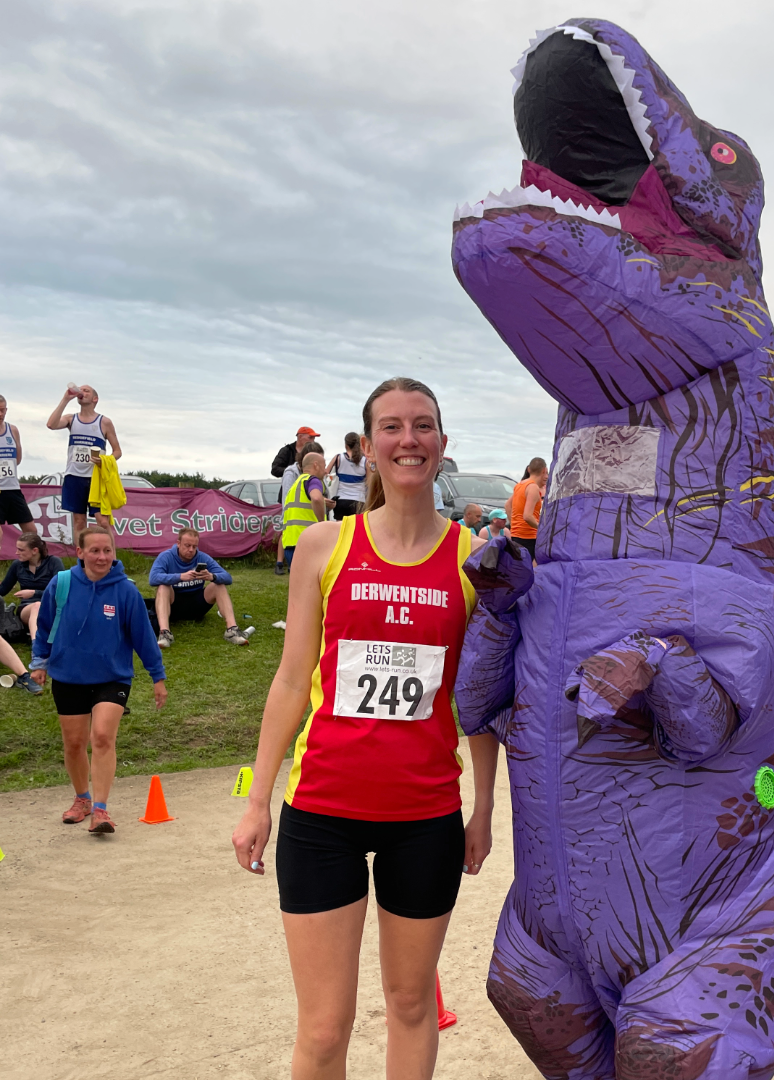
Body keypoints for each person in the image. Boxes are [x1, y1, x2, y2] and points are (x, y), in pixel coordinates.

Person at [231, 377, 498, 1080]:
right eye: (392, 427)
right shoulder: (325, 546)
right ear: (368, 447)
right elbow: (291, 680)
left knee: (410, 1004)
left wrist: (483, 808)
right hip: (323, 812)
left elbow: (480, 696)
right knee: (324, 1028)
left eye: (423, 425)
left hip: (425, 817)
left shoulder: (473, 559)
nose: (409, 439)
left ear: (442, 443)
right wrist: (257, 800)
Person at [30, 525, 166, 834]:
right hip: (68, 676)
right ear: (80, 552)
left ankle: (101, 810)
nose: (102, 557)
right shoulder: (61, 584)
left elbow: (144, 637)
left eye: (107, 550)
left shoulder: (126, 591)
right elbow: (45, 626)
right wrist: (39, 663)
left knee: (102, 737)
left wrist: (157, 677)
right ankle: (82, 800)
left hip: (112, 677)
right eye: (95, 550)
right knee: (74, 743)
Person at [149, 528, 249, 646]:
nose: (191, 550)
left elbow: (228, 577)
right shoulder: (166, 556)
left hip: (197, 604)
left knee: (218, 585)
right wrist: (180, 576)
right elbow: (153, 578)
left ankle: (232, 631)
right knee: (163, 587)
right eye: (187, 545)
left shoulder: (202, 557)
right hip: (174, 604)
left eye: (194, 546)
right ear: (178, 543)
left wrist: (212, 576)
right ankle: (165, 633)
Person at [46, 384, 122, 538]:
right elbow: (51, 425)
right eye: (80, 390)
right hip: (74, 476)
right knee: (79, 522)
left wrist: (104, 461)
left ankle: (110, 553)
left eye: (86, 391)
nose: (82, 392)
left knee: (103, 522)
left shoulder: (104, 422)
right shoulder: (71, 419)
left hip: (96, 479)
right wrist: (65, 399)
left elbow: (117, 451)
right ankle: (81, 554)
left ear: (95, 399)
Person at [0, 531, 63, 641]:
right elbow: (3, 590)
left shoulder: (54, 562)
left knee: (40, 606)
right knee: (36, 606)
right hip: (27, 608)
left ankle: (41, 636)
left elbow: (60, 591)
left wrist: (34, 593)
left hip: (51, 605)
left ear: (35, 551)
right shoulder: (17, 565)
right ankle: (36, 643)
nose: (16, 553)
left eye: (21, 550)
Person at [273, 428, 320, 573]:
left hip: (305, 499)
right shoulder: (287, 451)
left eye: (314, 438)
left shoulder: (312, 459)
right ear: (300, 437)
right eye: (310, 437)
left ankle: (292, 564)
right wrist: (292, 472)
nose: (313, 440)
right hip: (291, 497)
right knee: (286, 531)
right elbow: (274, 469)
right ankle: (279, 563)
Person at [281, 451, 332, 567]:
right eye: (324, 466)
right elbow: (316, 498)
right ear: (316, 465)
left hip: (290, 544)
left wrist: (323, 501)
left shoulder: (296, 485)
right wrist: (322, 523)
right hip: (308, 543)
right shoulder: (313, 480)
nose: (326, 471)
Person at [0, 395, 38, 535]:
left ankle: (30, 550)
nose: (0, 414)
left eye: (2, 410)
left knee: (31, 531)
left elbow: (17, 459)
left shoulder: (13, 430)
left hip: (12, 488)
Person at [510, 457, 546, 559]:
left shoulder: (519, 485)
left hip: (515, 535)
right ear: (543, 471)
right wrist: (542, 529)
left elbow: (508, 505)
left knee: (519, 566)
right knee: (530, 566)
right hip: (528, 537)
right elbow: (527, 516)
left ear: (529, 469)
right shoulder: (533, 487)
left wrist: (514, 524)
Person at [327, 432, 366, 519]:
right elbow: (370, 482)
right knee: (357, 527)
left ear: (346, 445)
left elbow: (326, 473)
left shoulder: (338, 458)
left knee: (340, 527)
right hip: (359, 502)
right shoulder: (365, 461)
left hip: (341, 500)